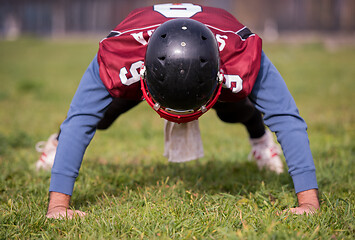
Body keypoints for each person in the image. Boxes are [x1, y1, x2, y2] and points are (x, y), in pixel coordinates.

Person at [39, 3, 319, 219]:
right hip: (144, 56)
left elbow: (286, 117)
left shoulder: (239, 52)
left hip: (216, 62)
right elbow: (80, 119)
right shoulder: (121, 54)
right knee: (106, 112)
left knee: (236, 107)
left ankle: (260, 143)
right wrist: (58, 206)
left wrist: (308, 203)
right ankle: (57, 144)